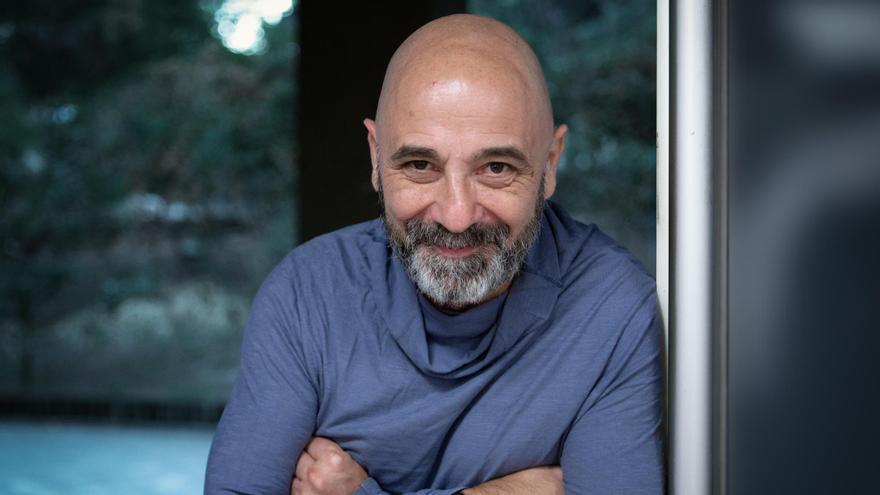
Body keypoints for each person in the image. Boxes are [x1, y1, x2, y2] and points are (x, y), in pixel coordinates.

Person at [205, 14, 663, 495]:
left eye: (496, 167)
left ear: (550, 163)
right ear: (376, 157)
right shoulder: (308, 293)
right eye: (420, 164)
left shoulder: (612, 308)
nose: (457, 216)